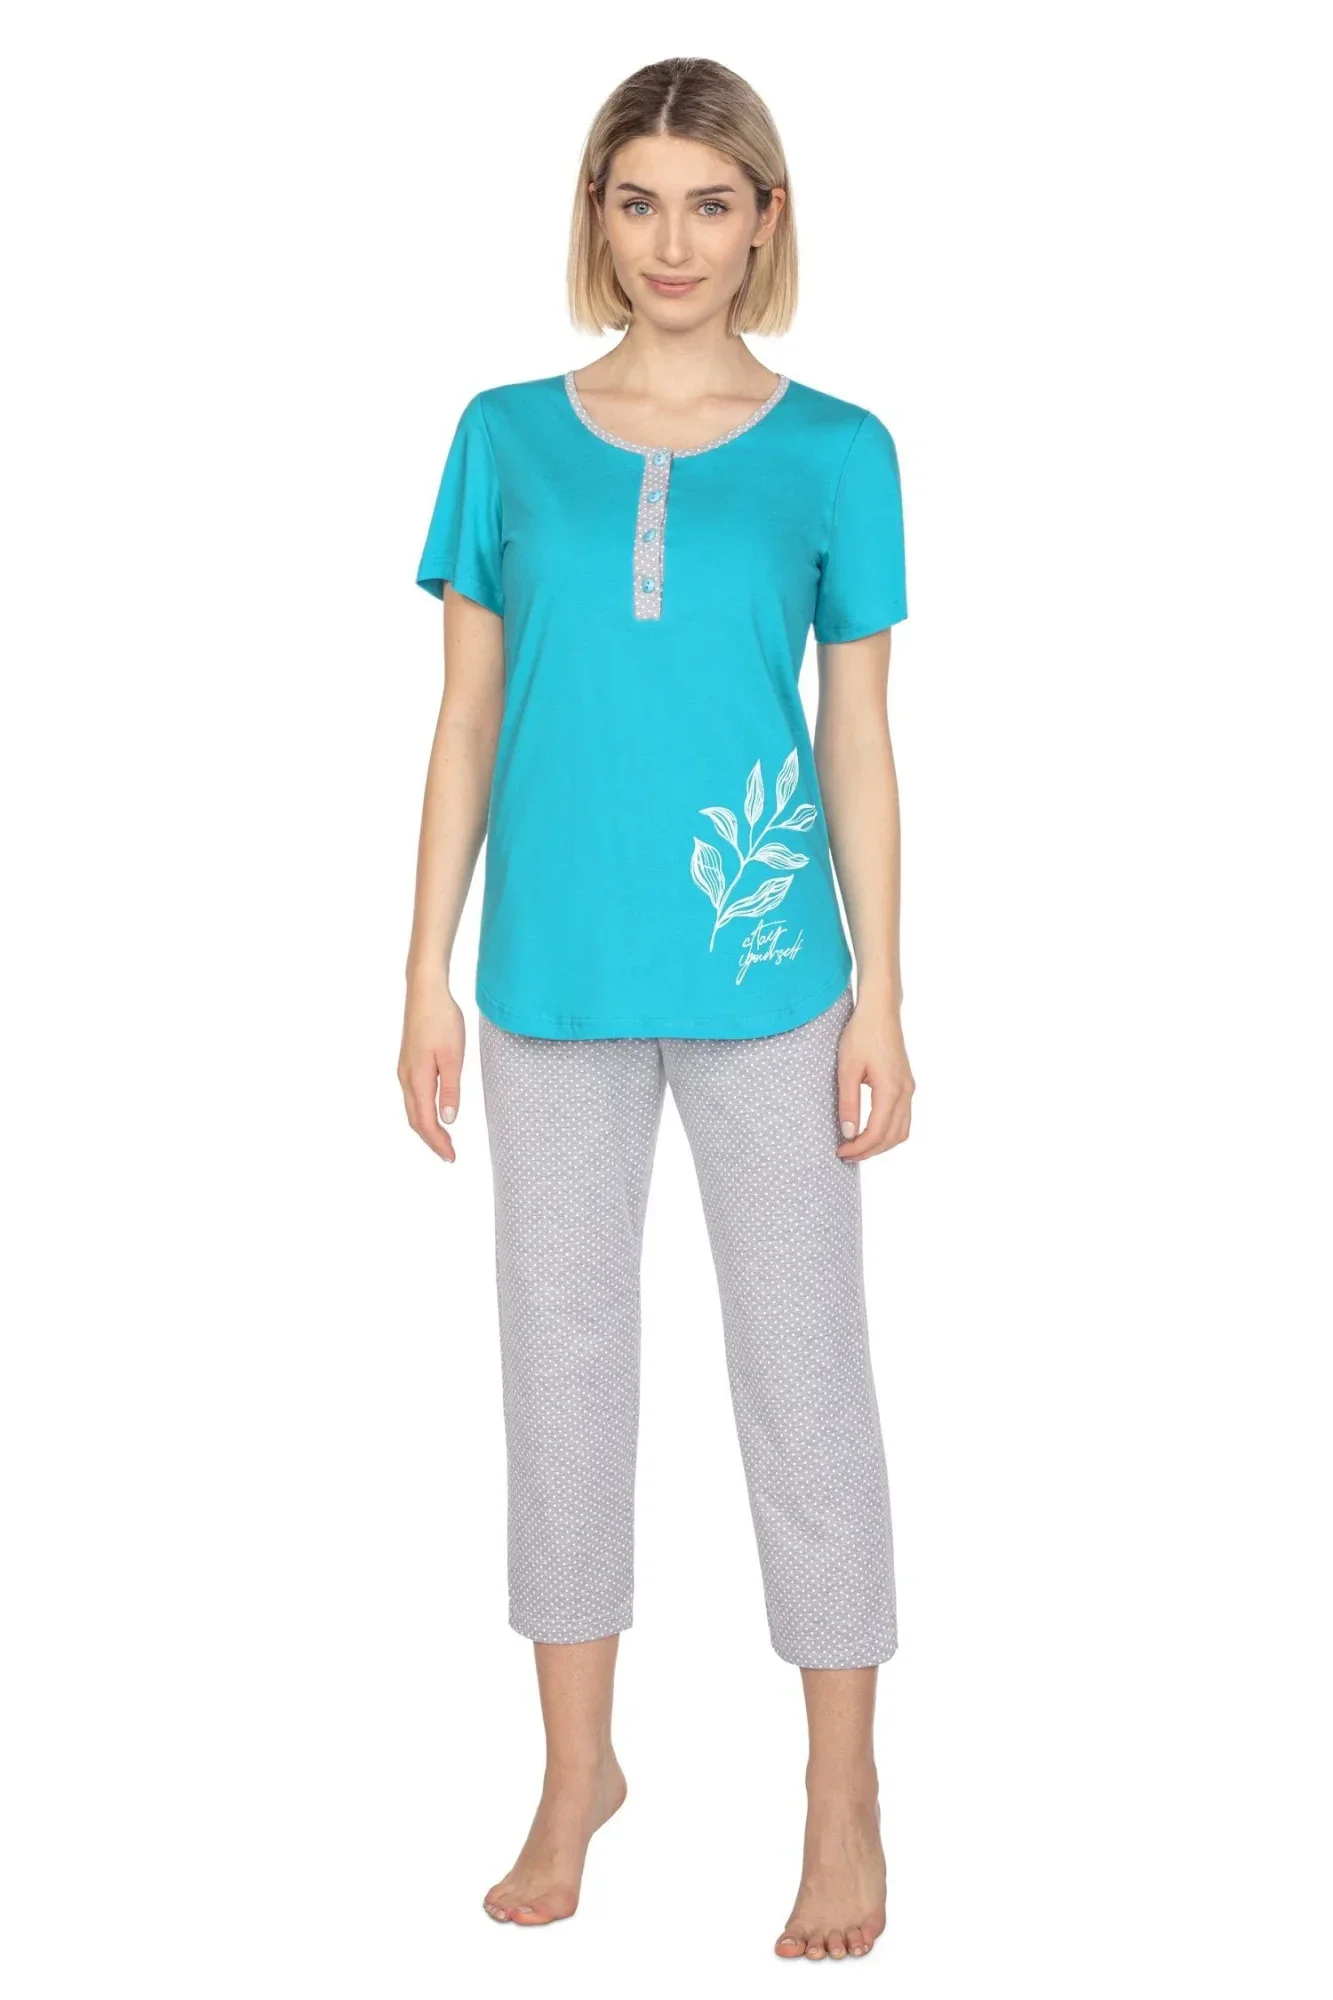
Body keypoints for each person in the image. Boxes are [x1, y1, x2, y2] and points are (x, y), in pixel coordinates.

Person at [398, 55, 914, 1964]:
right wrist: (422, 971)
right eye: (640, 201)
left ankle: (843, 1791)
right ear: (596, 217)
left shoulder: (838, 451)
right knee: (561, 1373)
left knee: (806, 1374)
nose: (674, 241)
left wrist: (883, 994)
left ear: (766, 219)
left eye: (711, 202)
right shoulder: (503, 441)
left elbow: (857, 739)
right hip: (546, 983)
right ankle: (574, 1771)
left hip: (770, 981)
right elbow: (464, 719)